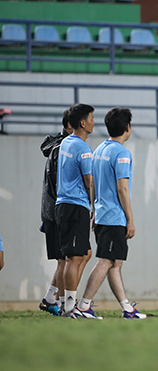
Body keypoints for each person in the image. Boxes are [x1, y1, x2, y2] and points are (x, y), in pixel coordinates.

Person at [75, 107, 145, 319]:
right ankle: (84, 305)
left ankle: (127, 308)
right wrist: (130, 220)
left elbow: (92, 184)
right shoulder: (122, 153)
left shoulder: (98, 150)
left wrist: (95, 211)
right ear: (127, 127)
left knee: (115, 262)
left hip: (103, 215)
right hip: (115, 217)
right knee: (106, 260)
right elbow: (122, 189)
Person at [55, 103, 96, 318]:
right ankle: (69, 307)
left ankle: (66, 304)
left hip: (64, 205)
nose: (93, 122)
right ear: (82, 123)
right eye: (91, 118)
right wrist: (95, 207)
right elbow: (89, 182)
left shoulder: (66, 143)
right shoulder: (82, 148)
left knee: (82, 254)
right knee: (74, 258)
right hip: (75, 205)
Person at [38, 109, 73, 316]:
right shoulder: (61, 150)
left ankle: (51, 299)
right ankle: (61, 304)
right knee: (65, 260)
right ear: (70, 126)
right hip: (57, 211)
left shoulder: (59, 147)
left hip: (53, 210)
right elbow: (58, 185)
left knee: (66, 259)